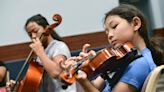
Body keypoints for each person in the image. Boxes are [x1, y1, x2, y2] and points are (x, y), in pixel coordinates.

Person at [61, 4, 157, 92]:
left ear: (135, 24)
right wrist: (85, 69)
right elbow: (94, 87)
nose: (110, 35)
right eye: (107, 32)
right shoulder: (120, 60)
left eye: (114, 26)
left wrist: (84, 81)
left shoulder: (140, 64)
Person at [6, 14, 76, 92]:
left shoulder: (59, 46)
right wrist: (18, 87)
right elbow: (33, 84)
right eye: (30, 34)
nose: (33, 36)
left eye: (35, 31)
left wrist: (40, 52)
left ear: (46, 28)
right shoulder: (41, 53)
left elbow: (56, 72)